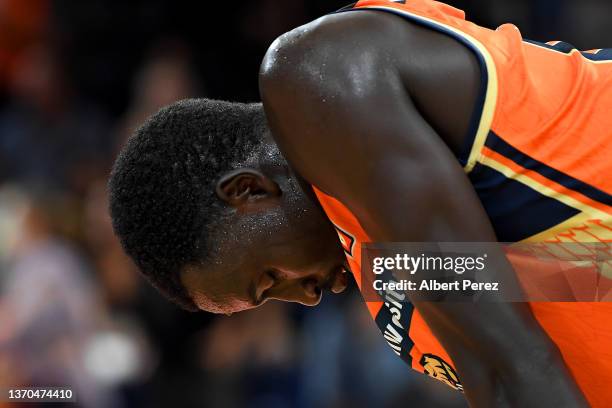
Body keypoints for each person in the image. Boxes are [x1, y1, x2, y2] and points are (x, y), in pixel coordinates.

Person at [108, 0, 612, 406]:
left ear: (247, 191)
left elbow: (509, 367)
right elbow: (589, 276)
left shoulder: (313, 77)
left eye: (268, 280)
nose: (303, 297)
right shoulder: (384, 281)